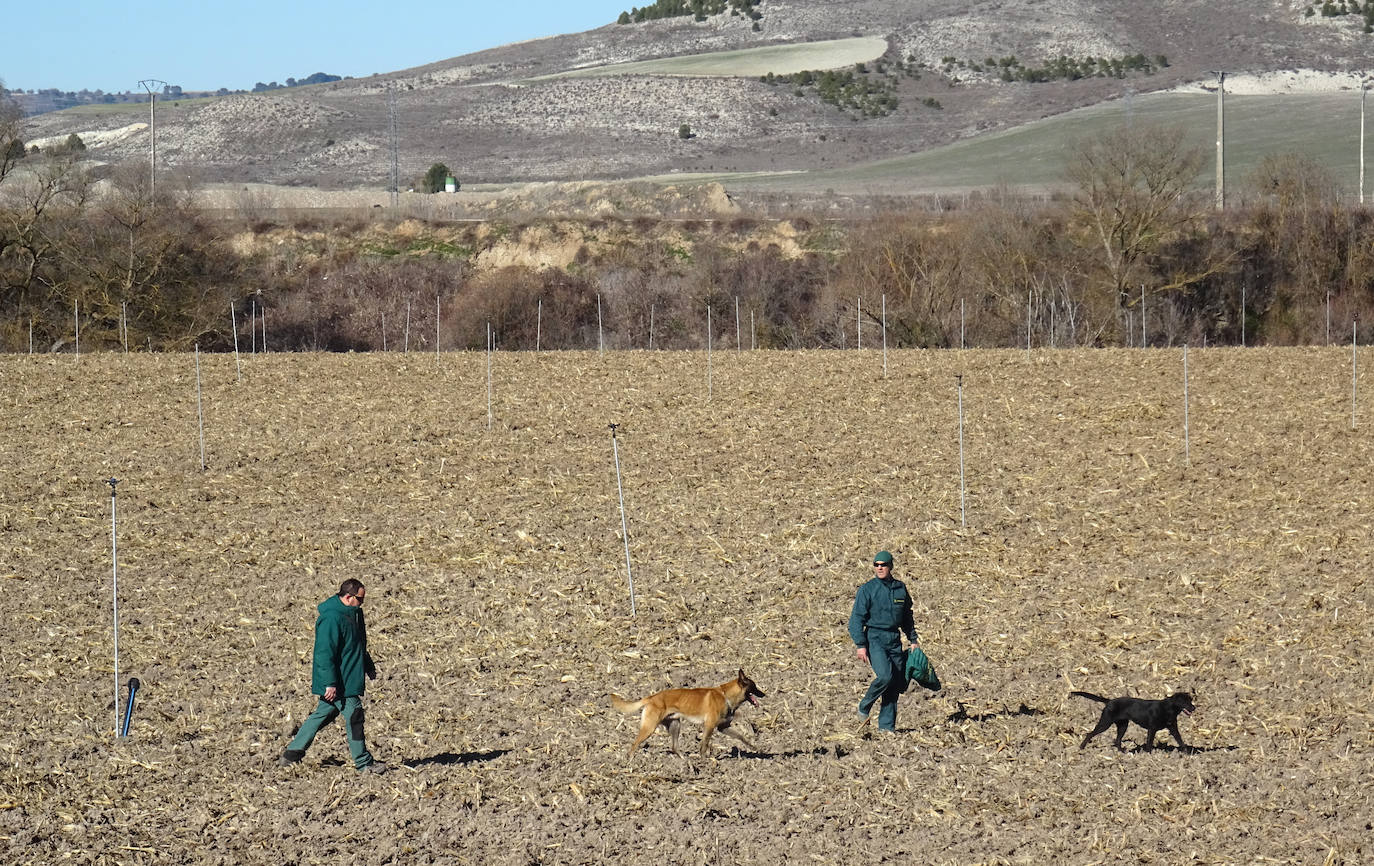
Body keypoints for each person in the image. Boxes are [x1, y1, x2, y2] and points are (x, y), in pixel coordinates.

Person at [278, 579, 385, 773]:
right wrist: (329, 683)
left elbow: (357, 644)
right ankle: (364, 763)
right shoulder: (332, 619)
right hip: (339, 681)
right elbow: (324, 653)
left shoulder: (354, 613)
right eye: (360, 599)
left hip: (348, 677)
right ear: (348, 597)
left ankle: (292, 754)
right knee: (354, 714)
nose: (363, 603)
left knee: (323, 714)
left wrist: (367, 665)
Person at [848, 550, 919, 734]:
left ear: (891, 566)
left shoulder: (900, 589)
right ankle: (865, 705)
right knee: (885, 676)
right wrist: (860, 645)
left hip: (894, 639)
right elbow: (856, 619)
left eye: (883, 565)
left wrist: (913, 639)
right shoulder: (867, 590)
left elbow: (906, 616)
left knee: (894, 684)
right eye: (876, 565)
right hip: (875, 638)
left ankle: (887, 728)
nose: (879, 568)